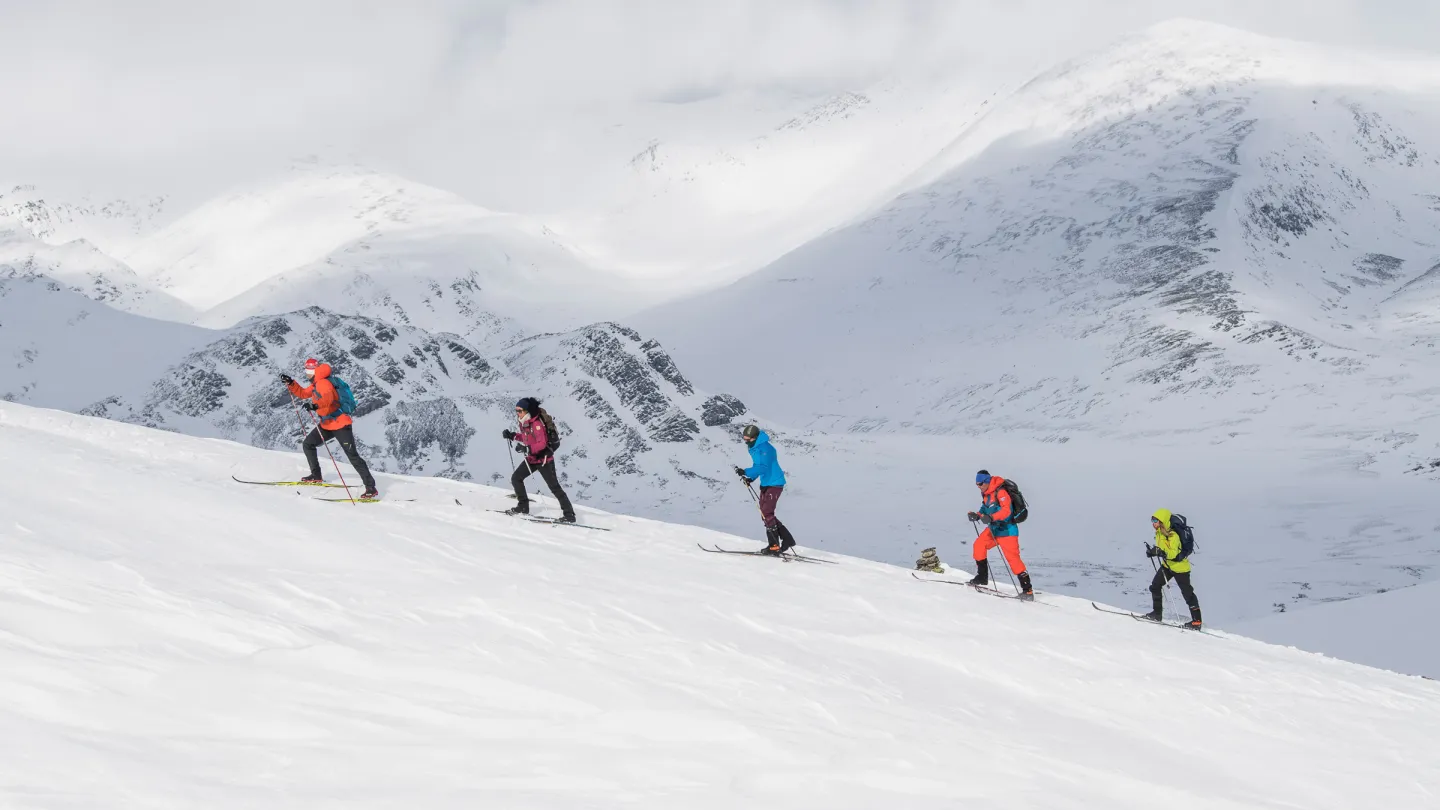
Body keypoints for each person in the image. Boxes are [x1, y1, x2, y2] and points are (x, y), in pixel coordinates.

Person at [280, 358, 379, 500]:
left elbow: (328, 399)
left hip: (340, 424)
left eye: (308, 370)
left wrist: (315, 406)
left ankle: (371, 488)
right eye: (306, 370)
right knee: (308, 444)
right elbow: (303, 393)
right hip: (327, 424)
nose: (307, 373)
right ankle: (316, 475)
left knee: (353, 456)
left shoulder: (323, 383)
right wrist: (291, 383)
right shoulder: (316, 383)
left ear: (314, 370)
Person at [502, 397, 576, 524]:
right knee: (516, 478)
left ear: (527, 410)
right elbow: (527, 438)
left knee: (554, 487)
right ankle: (523, 507)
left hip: (543, 459)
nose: (517, 413)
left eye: (520, 411)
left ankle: (569, 515)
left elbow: (542, 443)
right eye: (516, 411)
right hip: (532, 458)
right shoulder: (524, 421)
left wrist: (527, 448)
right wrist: (513, 436)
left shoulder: (536, 424)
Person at [965, 470, 1033, 599]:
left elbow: (1007, 511)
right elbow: (985, 508)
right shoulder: (986, 494)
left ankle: (1027, 591)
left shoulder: (1000, 492)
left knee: (1013, 559)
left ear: (986, 481)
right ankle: (982, 577)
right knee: (979, 545)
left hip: (1007, 530)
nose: (978, 487)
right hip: (994, 529)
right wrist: (977, 515)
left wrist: (991, 517)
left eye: (980, 484)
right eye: (976, 484)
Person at [733, 424, 796, 555]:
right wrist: (751, 478)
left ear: (755, 437)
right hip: (766, 482)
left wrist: (746, 471)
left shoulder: (765, 449)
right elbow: (758, 466)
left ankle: (774, 545)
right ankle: (787, 539)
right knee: (765, 514)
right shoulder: (755, 448)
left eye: (748, 439)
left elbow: (764, 467)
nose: (746, 441)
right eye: (744, 438)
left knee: (766, 513)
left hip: (774, 483)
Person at [1144, 509, 1203, 629]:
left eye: (1155, 520)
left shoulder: (1173, 535)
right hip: (1167, 566)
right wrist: (1153, 552)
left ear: (1162, 521)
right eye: (1152, 520)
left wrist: (1161, 552)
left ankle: (1196, 622)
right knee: (1155, 586)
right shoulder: (1159, 533)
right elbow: (1162, 549)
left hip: (1180, 568)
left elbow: (1173, 553)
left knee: (1188, 594)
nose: (1153, 523)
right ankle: (1157, 614)